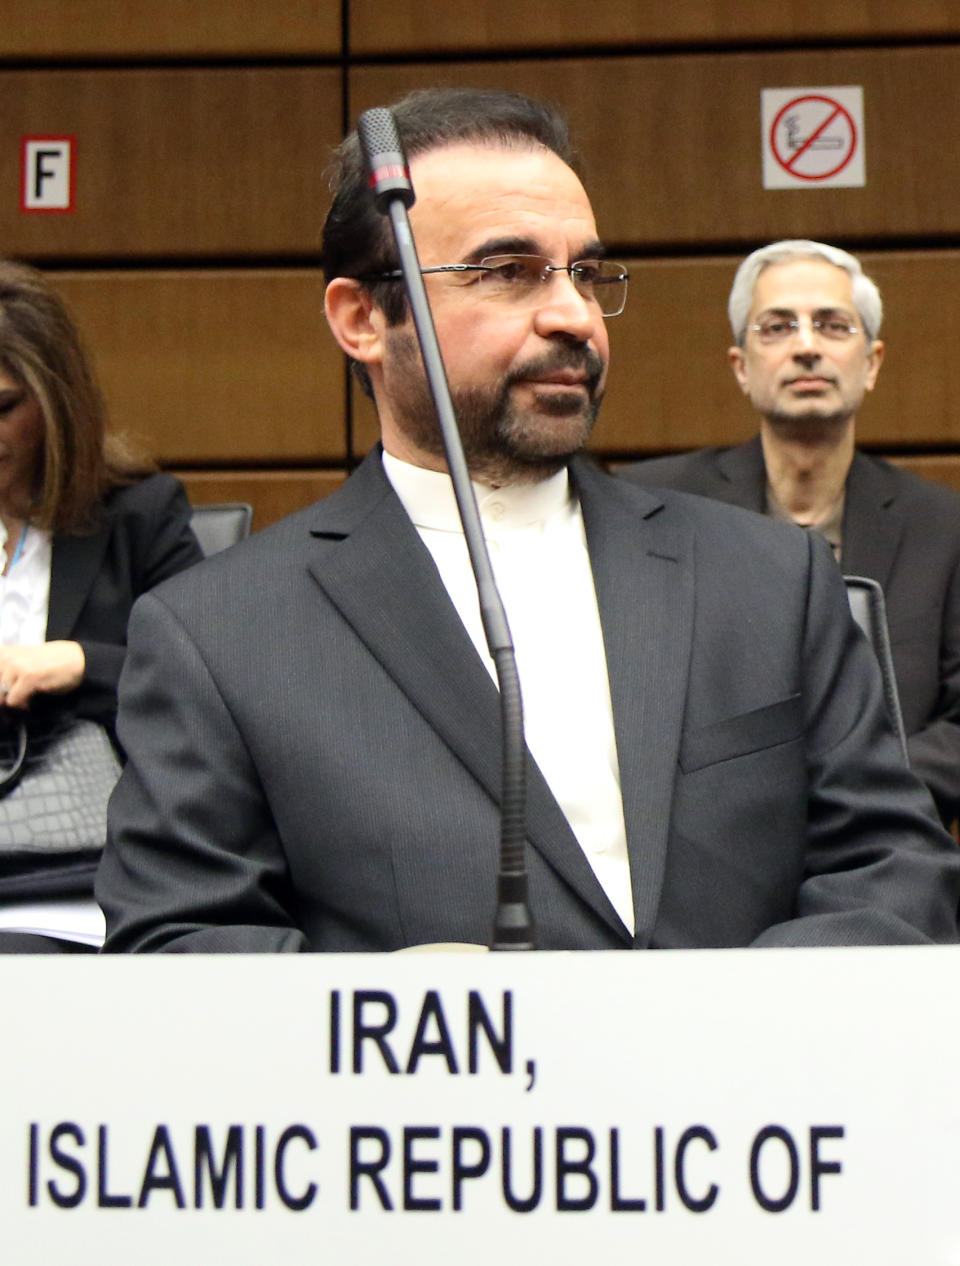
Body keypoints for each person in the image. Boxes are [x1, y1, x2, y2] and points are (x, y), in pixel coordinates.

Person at [97, 90, 960, 953]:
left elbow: (893, 871)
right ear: (362, 318)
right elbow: (182, 943)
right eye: (507, 271)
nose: (573, 315)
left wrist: (722, 1034)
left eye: (585, 273)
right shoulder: (220, 631)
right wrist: (406, 1019)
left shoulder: (771, 577)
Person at [620, 240, 960, 828]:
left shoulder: (944, 526)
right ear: (741, 367)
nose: (806, 347)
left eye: (833, 325)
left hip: (888, 846)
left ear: (872, 362)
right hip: (705, 850)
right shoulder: (655, 507)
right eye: (777, 327)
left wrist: (855, 794)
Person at [0, 260, 204, 952]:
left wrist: (79, 662)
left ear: (56, 403)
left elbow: (207, 689)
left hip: (78, 873)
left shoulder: (138, 516)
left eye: (3, 408)